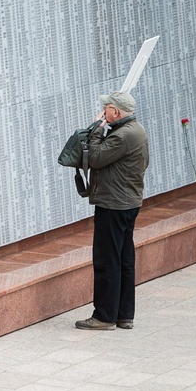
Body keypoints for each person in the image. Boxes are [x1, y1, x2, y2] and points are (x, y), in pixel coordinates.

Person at [75, 91, 149, 330]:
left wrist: (97, 128)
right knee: (124, 259)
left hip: (114, 205)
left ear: (115, 111)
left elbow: (95, 157)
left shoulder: (123, 135)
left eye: (106, 109)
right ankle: (124, 315)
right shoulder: (135, 130)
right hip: (128, 202)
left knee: (108, 260)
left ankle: (104, 316)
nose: (103, 113)